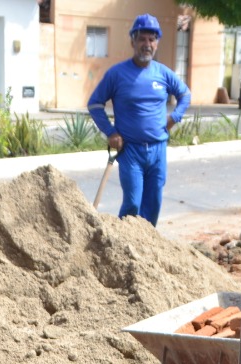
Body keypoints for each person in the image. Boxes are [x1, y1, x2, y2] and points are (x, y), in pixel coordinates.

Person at [88, 13, 191, 226]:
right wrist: (111, 132)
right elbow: (95, 104)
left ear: (157, 43)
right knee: (133, 202)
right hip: (130, 151)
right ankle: (120, 244)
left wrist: (175, 117)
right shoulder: (117, 74)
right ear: (132, 41)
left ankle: (146, 249)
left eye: (151, 39)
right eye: (142, 39)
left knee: (153, 203)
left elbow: (185, 94)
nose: (147, 44)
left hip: (158, 149)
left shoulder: (163, 73)